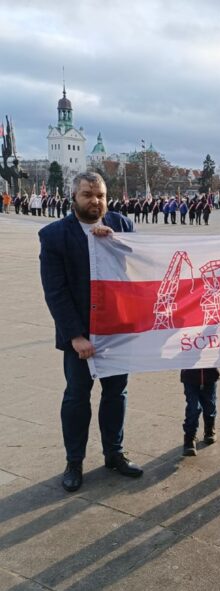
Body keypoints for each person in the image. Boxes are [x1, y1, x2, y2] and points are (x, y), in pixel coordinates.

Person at [38, 171, 143, 493]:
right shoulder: (55, 236)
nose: (95, 201)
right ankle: (74, 461)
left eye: (100, 195)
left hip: (115, 329)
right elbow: (55, 291)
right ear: (74, 197)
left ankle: (114, 453)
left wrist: (116, 243)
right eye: (88, 194)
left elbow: (139, 267)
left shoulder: (122, 225)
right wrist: (75, 336)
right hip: (80, 333)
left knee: (116, 394)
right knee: (76, 396)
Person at [181, 368, 220, 455]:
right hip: (190, 377)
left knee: (210, 405)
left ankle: (209, 429)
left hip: (210, 375)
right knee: (193, 408)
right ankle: (189, 438)